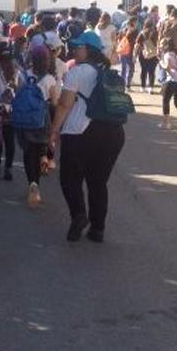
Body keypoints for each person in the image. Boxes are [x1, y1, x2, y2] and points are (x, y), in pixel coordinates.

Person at [49, 30, 126, 243]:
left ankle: (79, 215)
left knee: (70, 178)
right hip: (114, 133)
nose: (74, 49)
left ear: (88, 50)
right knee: (98, 182)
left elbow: (64, 105)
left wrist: (53, 131)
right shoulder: (108, 71)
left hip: (81, 132)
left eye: (78, 46)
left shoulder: (77, 71)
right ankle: (98, 229)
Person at [19, 44, 61, 208]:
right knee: (39, 149)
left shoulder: (24, 74)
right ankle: (38, 177)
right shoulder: (50, 79)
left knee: (28, 152)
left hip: (25, 118)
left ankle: (32, 183)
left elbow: (19, 94)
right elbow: (55, 102)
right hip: (42, 119)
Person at [0, 45, 25, 181]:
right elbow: (21, 90)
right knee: (10, 140)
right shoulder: (18, 73)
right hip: (12, 110)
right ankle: (8, 167)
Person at [136, 18, 159, 93]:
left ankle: (143, 87)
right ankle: (151, 88)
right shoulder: (155, 33)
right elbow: (158, 43)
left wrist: (135, 55)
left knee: (143, 71)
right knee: (152, 71)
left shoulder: (142, 33)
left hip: (143, 54)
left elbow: (137, 45)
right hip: (154, 54)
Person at [116, 21, 138, 90]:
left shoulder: (122, 32)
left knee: (124, 69)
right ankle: (127, 85)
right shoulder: (134, 33)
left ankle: (122, 84)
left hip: (122, 52)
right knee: (130, 69)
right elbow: (135, 43)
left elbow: (118, 40)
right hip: (130, 53)